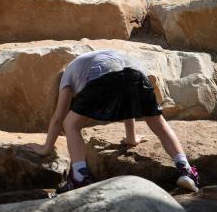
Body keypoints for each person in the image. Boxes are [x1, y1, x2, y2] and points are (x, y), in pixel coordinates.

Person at [27, 49, 200, 192]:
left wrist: (46, 148)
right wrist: (131, 138)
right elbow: (126, 101)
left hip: (103, 78)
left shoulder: (67, 75)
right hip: (137, 75)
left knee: (70, 124)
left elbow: (58, 118)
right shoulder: (98, 57)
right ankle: (185, 169)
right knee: (158, 123)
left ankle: (79, 177)